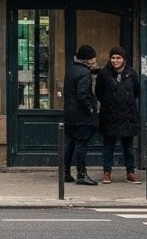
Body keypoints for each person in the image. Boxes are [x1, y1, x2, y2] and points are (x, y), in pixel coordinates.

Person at [96, 45, 140, 183]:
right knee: (108, 145)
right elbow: (99, 92)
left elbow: (136, 91)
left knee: (128, 146)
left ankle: (131, 172)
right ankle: (107, 172)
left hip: (127, 114)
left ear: (124, 59)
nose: (115, 60)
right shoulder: (104, 74)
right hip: (110, 114)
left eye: (118, 58)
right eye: (113, 58)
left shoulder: (131, 74)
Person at [62, 44, 100, 186]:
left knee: (69, 144)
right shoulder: (85, 73)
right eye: (94, 58)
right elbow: (83, 94)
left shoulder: (71, 69)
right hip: (81, 115)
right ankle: (81, 174)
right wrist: (91, 109)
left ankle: (65, 173)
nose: (95, 61)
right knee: (82, 144)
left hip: (69, 113)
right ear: (88, 59)